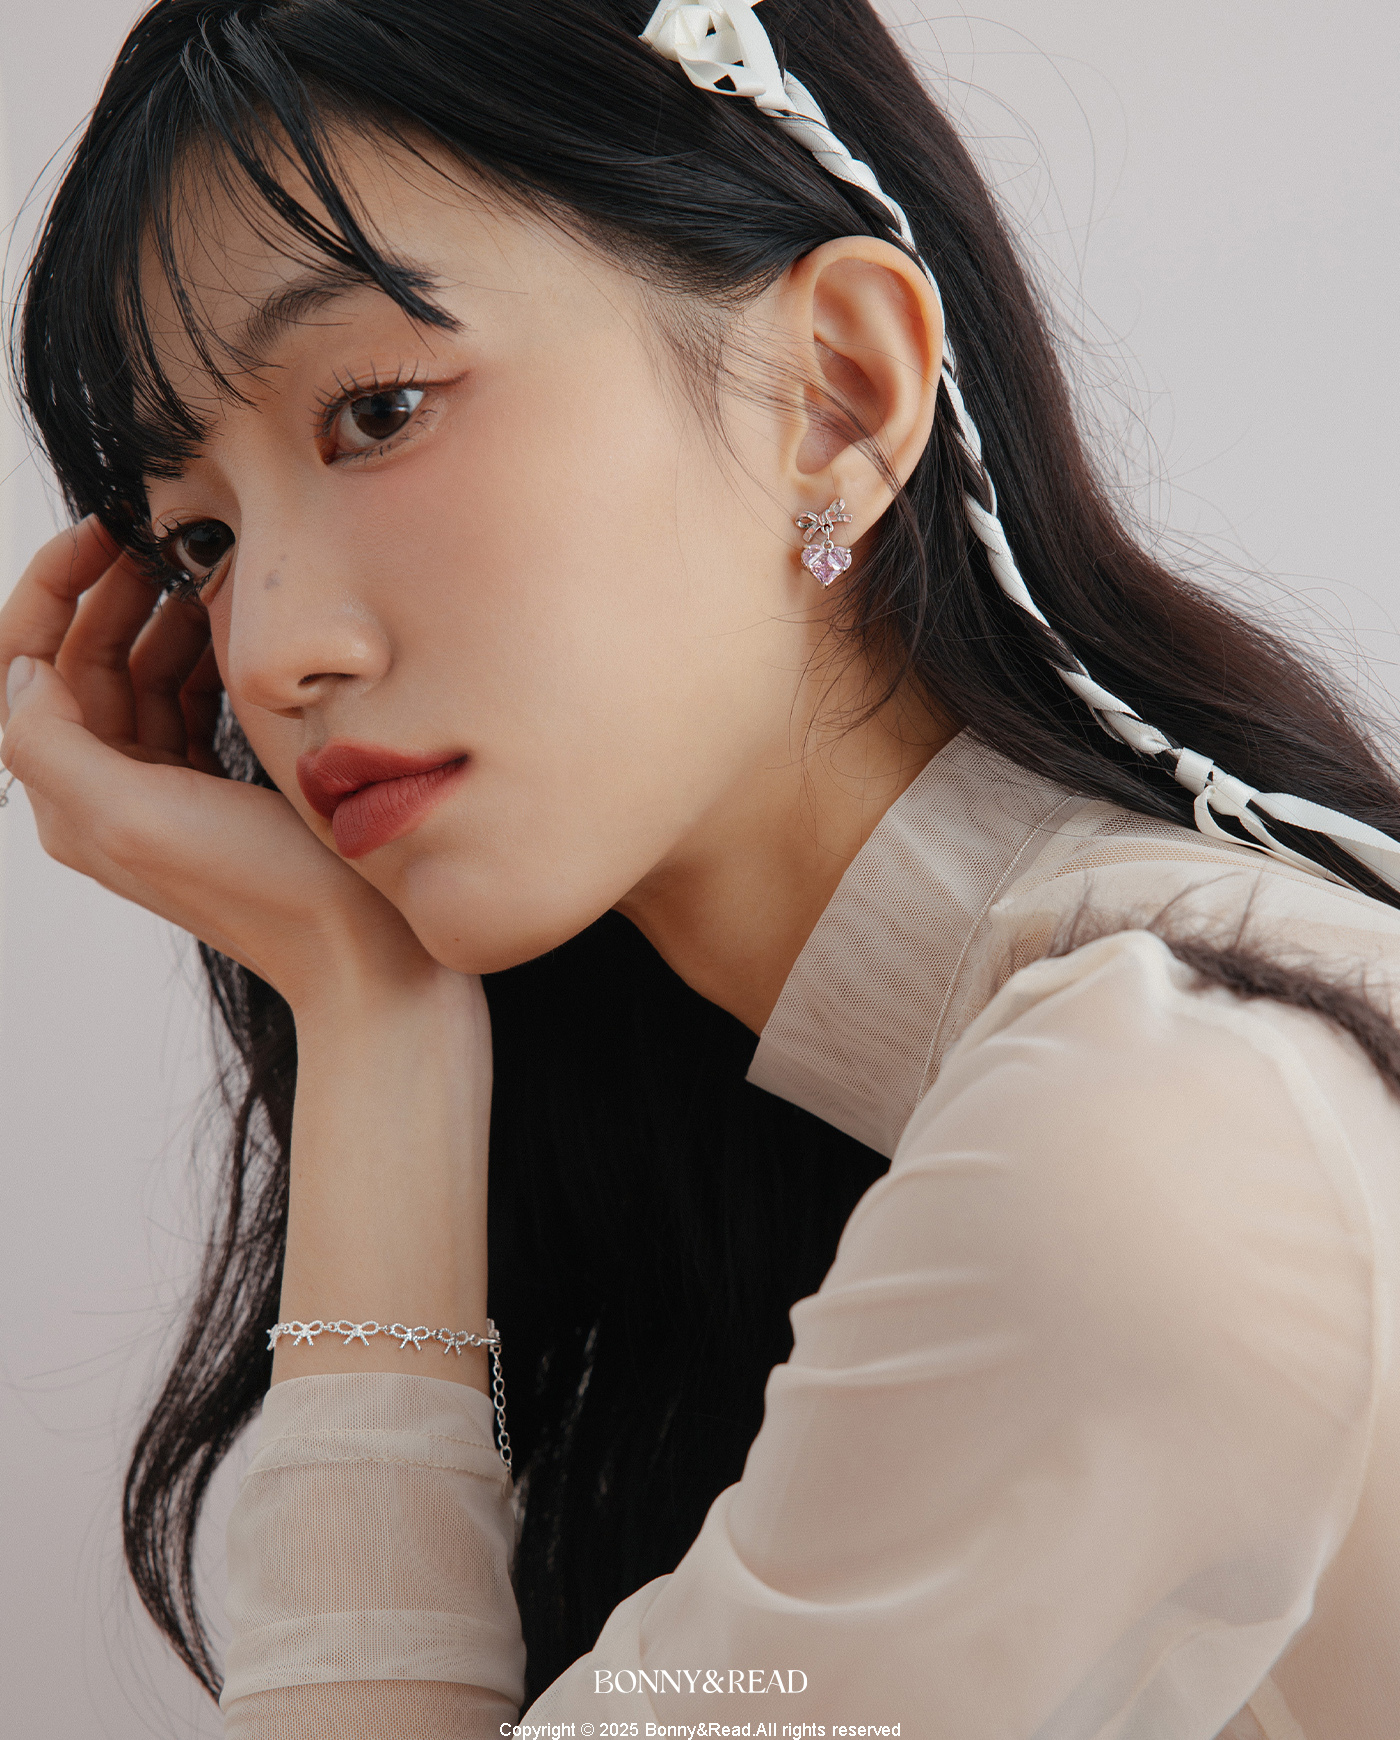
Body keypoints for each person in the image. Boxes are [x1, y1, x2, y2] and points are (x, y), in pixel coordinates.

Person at [2, 1, 1397, 1734]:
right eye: (201, 539)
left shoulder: (1152, 1142)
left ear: (834, 397)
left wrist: (375, 1035)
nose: (272, 653)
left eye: (378, 410)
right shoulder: (921, 1113)